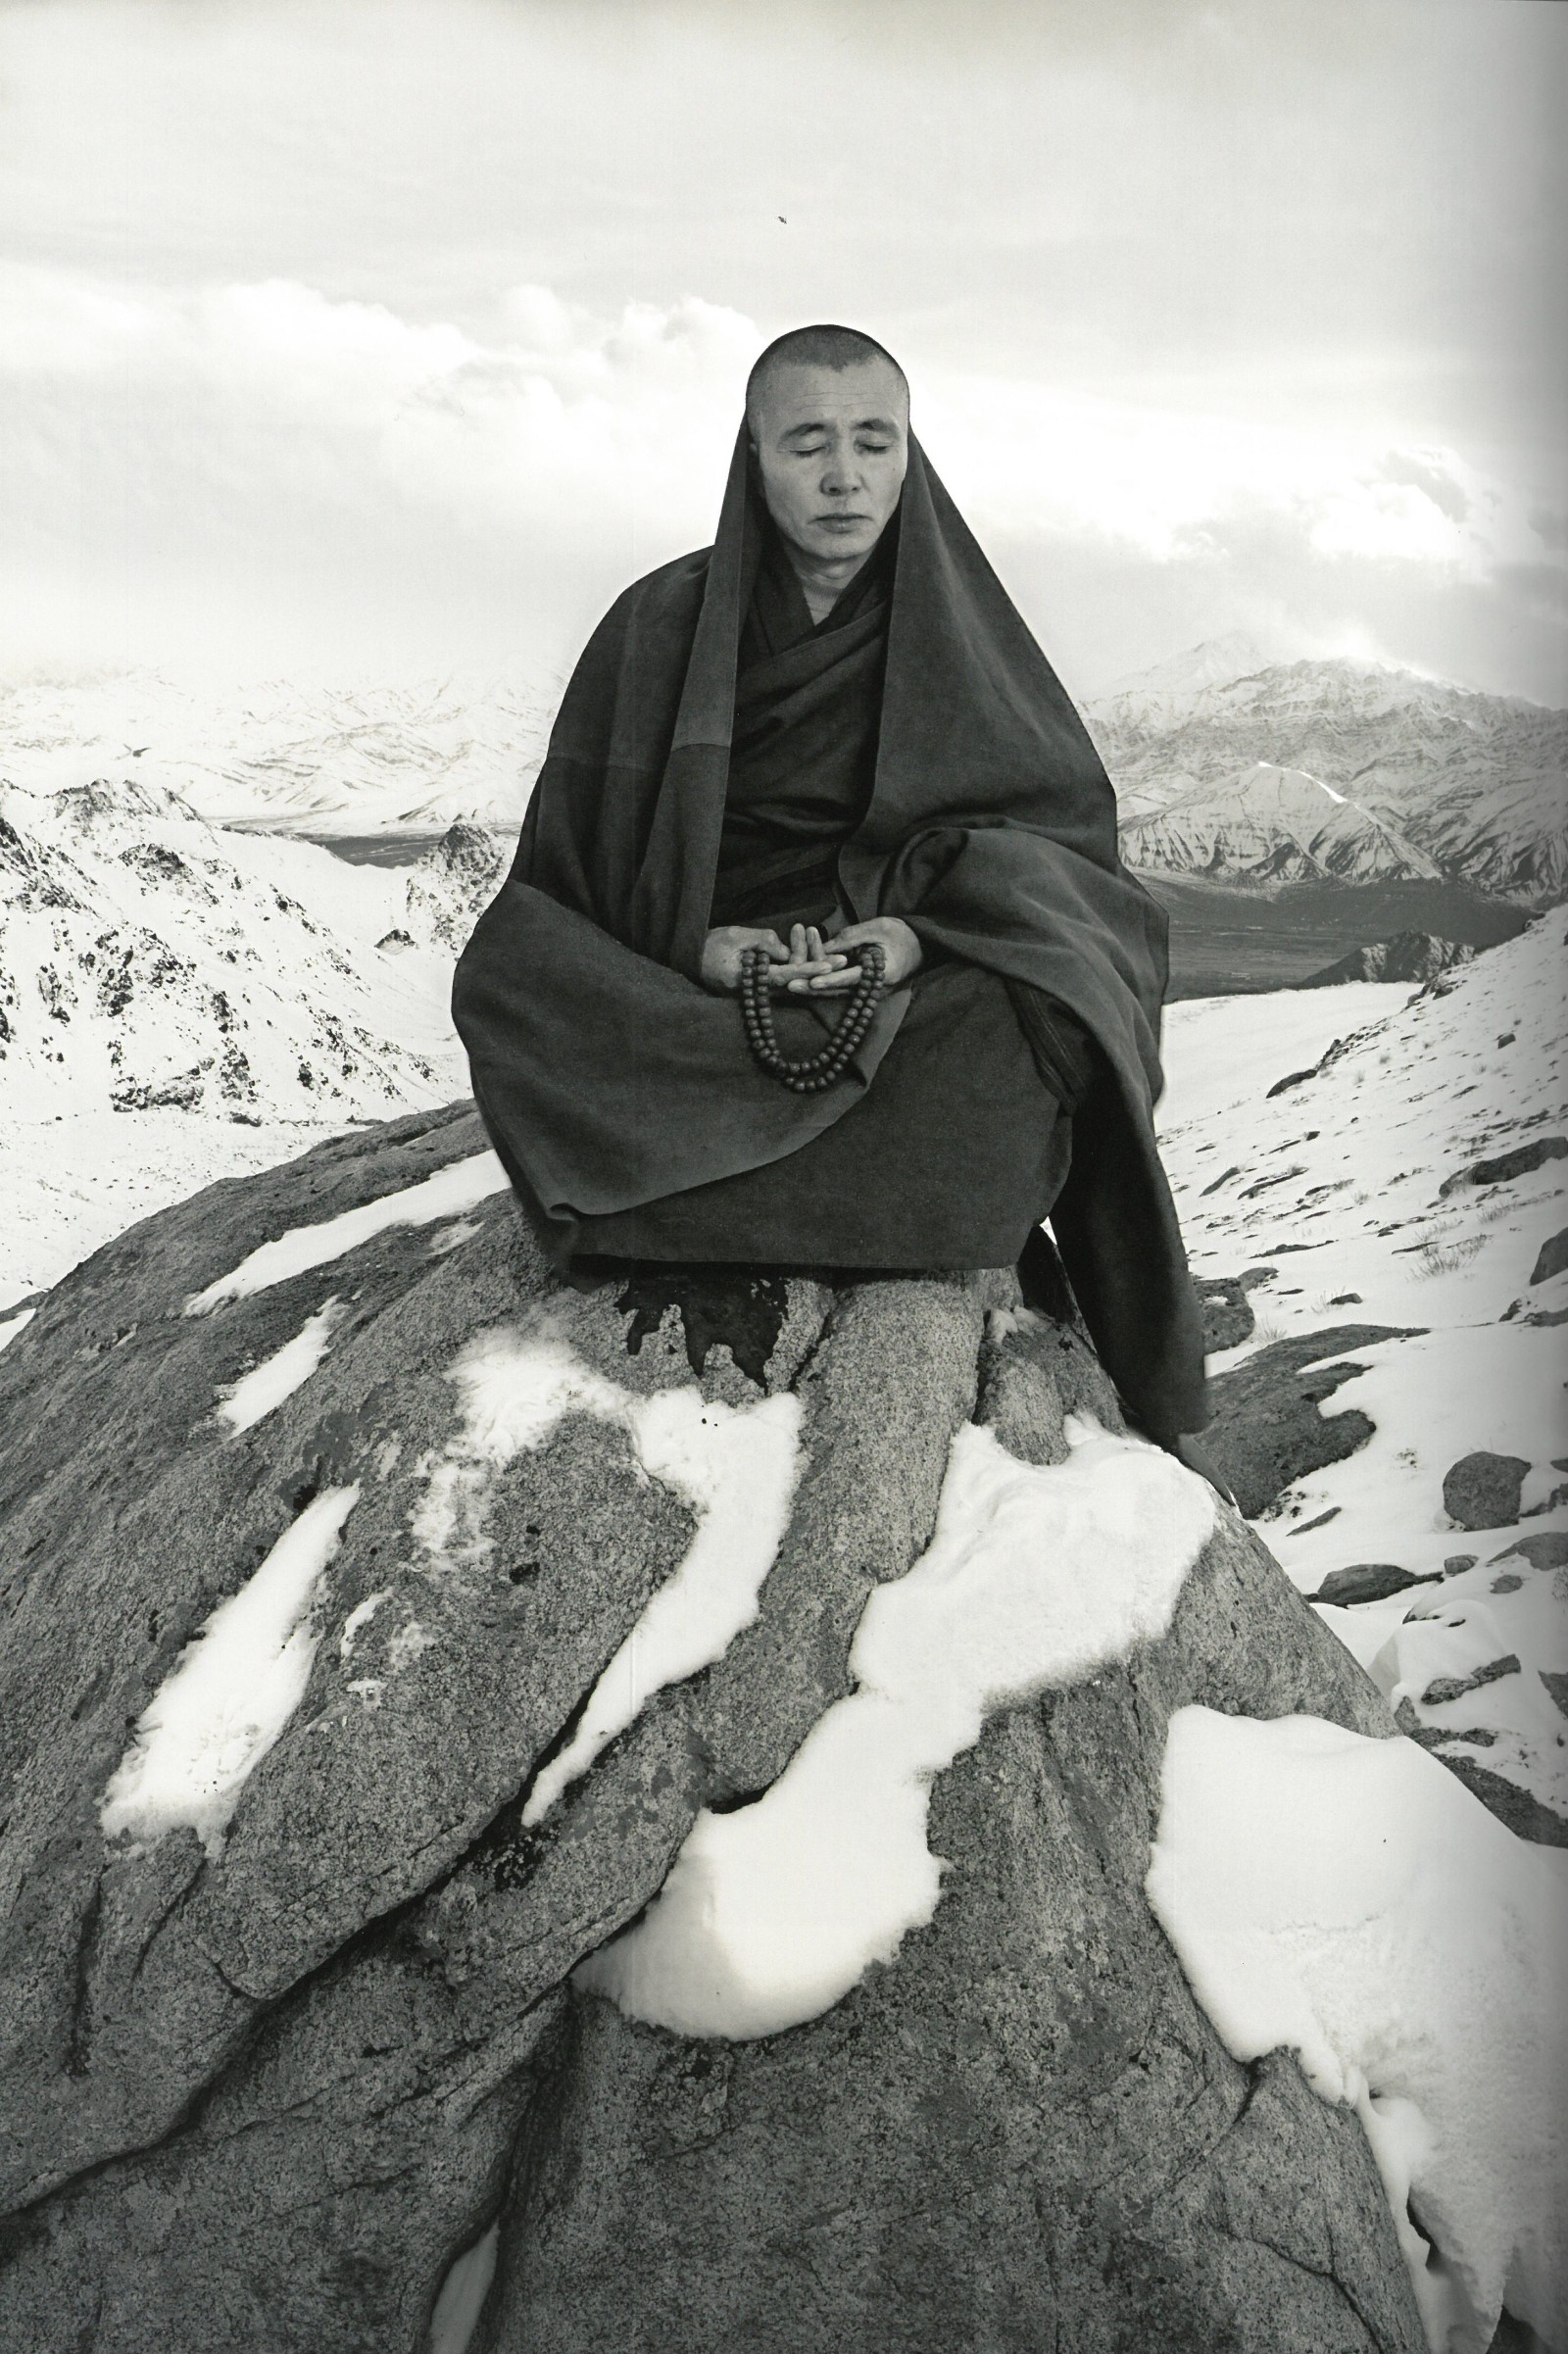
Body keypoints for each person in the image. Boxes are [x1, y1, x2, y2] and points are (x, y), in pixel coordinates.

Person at [454, 324, 1211, 1452]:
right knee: (512, 977)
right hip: (698, 992)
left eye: (873, 441)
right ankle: (887, 1202)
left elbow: (1058, 858)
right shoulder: (655, 625)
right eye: (808, 443)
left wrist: (911, 934)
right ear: (754, 456)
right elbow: (569, 869)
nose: (844, 476)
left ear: (910, 455)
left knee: (1051, 1003)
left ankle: (677, 1199)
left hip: (897, 990)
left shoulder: (967, 637)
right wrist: (698, 945)